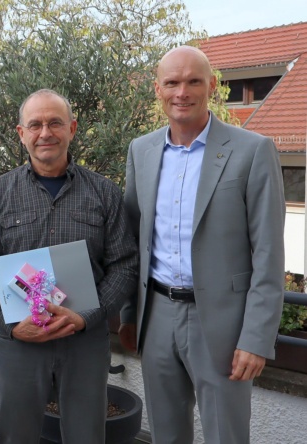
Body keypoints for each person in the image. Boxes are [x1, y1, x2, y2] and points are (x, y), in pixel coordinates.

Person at [119, 46, 286, 443]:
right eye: (172, 82)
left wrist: (256, 338)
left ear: (212, 85)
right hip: (156, 316)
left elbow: (268, 255)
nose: (183, 92)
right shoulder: (140, 151)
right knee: (165, 434)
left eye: (194, 81)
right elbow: (133, 237)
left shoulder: (252, 150)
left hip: (224, 324)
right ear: (157, 89)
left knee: (225, 435)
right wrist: (130, 313)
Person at [0, 89, 138, 444]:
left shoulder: (105, 193)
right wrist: (12, 326)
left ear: (72, 128)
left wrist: (85, 315)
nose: (45, 132)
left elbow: (124, 265)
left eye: (55, 123)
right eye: (35, 124)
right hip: (19, 341)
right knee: (16, 436)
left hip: (84, 341)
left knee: (86, 435)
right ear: (21, 133)